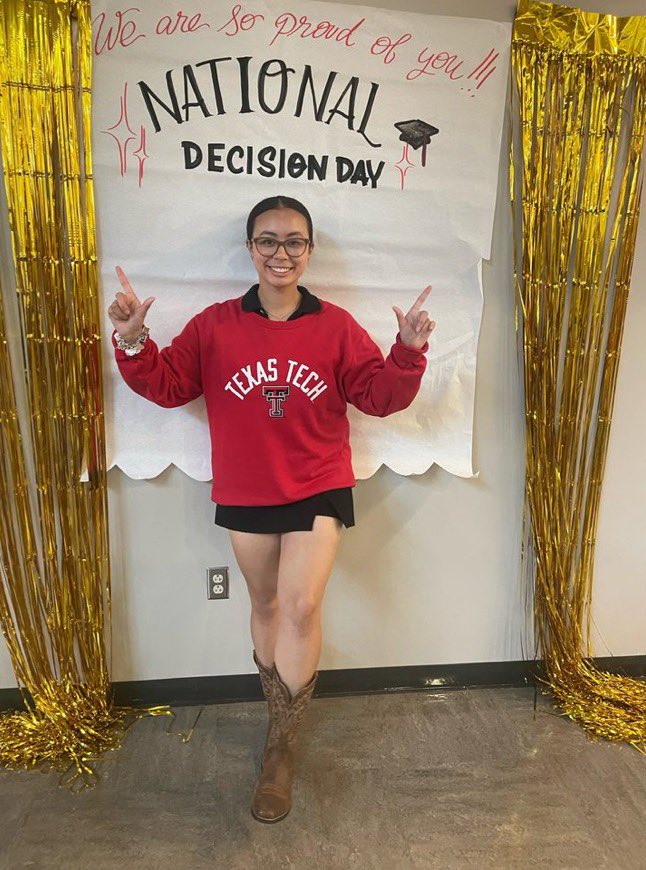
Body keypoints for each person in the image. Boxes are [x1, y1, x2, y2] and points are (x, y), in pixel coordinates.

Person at [108, 195, 436, 824]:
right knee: (263, 605)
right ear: (250, 248)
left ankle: (281, 747)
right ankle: (274, 719)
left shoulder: (336, 326)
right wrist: (133, 339)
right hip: (246, 488)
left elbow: (379, 395)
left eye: (294, 242)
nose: (281, 253)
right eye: (268, 240)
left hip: (318, 482)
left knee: (301, 603)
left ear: (309, 251)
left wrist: (408, 350)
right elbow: (171, 385)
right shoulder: (215, 325)